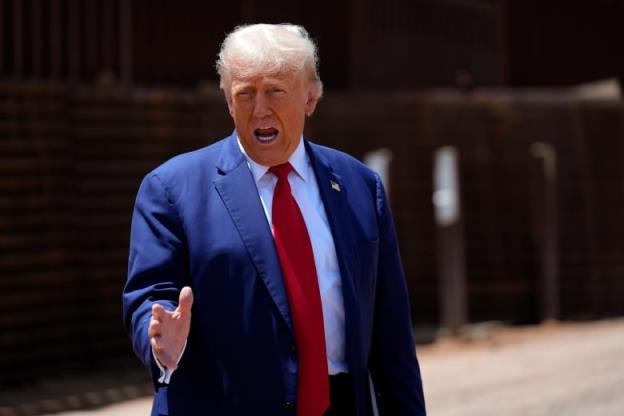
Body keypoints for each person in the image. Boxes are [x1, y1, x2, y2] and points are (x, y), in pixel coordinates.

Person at [123, 23, 426, 416]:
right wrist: (161, 344)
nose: (260, 109)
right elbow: (152, 298)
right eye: (245, 94)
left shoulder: (359, 186)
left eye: (275, 92)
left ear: (310, 98)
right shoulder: (172, 189)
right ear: (229, 103)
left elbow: (392, 334)